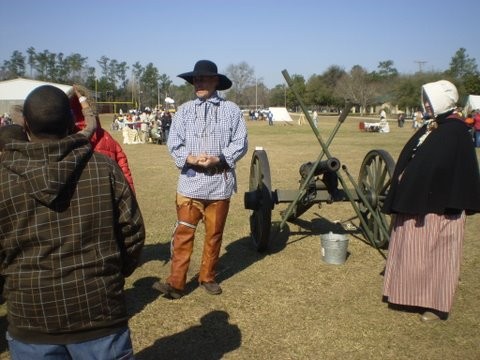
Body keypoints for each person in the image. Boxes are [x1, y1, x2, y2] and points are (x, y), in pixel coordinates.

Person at [0, 85, 145, 358]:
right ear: (71, 122)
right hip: (99, 311)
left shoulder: (3, 180)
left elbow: (132, 232)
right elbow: (133, 233)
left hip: (32, 315)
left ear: (26, 125)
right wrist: (112, 276)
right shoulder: (105, 170)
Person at [382, 80, 480, 322]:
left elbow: (448, 169)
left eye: (429, 98)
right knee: (414, 250)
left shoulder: (454, 130)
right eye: (424, 98)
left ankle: (436, 305)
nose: (425, 103)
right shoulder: (433, 126)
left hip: (440, 207)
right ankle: (408, 293)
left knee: (439, 253)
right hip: (419, 201)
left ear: (442, 100)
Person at [153, 60, 248, 299]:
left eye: (204, 79)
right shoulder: (184, 111)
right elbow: (173, 142)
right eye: (196, 80)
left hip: (219, 185)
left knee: (214, 235)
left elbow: (240, 142)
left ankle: (208, 276)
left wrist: (219, 158)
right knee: (183, 233)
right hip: (189, 184)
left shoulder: (232, 110)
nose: (199, 83)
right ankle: (176, 283)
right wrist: (190, 158)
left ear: (216, 81)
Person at [69, 85, 136, 193]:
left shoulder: (63, 140)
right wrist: (131, 197)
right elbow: (124, 171)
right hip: (106, 198)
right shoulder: (106, 137)